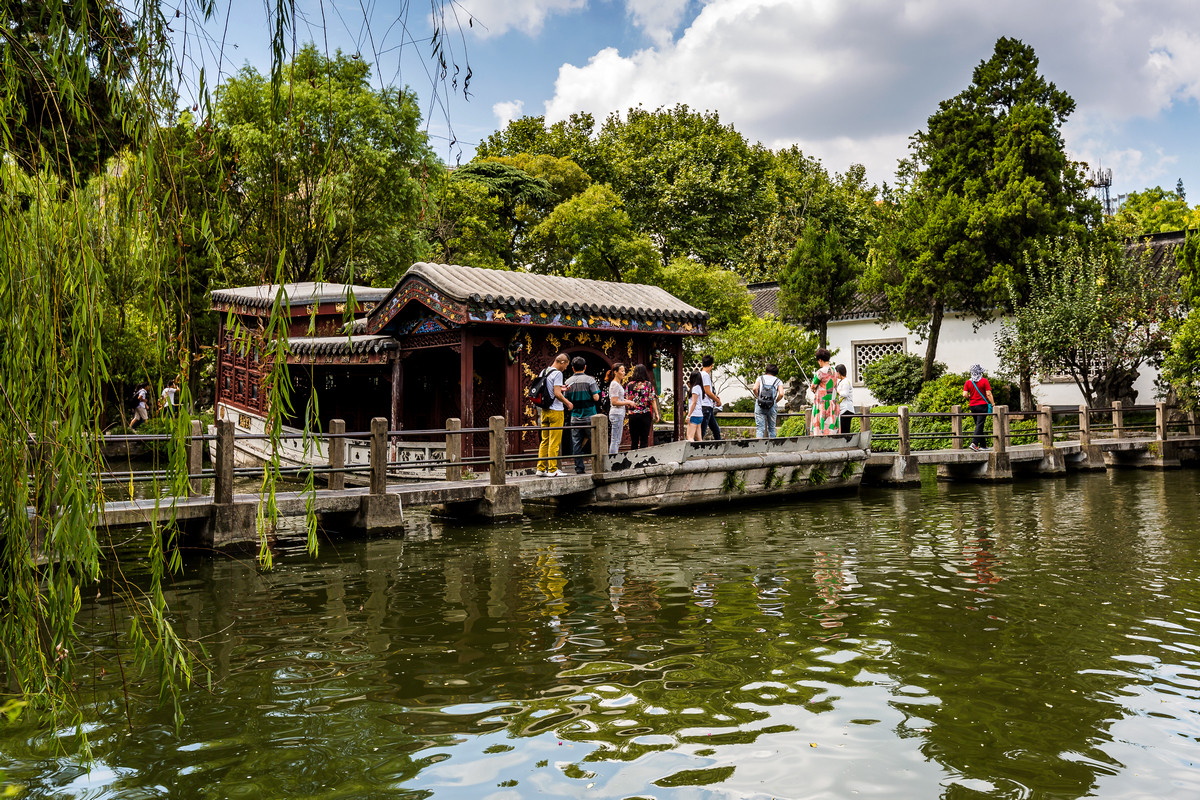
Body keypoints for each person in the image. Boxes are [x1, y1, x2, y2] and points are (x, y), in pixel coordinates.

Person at [536, 353, 572, 476]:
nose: (566, 368)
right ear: (562, 362)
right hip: (556, 410)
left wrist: (562, 389)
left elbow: (549, 389)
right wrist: (567, 403)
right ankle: (552, 469)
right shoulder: (558, 373)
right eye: (566, 365)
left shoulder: (543, 372)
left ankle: (540, 468)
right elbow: (556, 393)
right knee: (554, 441)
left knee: (544, 440)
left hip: (544, 410)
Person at [564, 356, 600, 474]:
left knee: (576, 443)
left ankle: (579, 468)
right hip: (590, 417)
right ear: (585, 367)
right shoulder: (590, 380)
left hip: (575, 417)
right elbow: (596, 397)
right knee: (595, 441)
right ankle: (598, 467)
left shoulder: (568, 382)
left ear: (573, 368)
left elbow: (565, 399)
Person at [624, 364, 660, 450]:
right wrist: (657, 413)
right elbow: (653, 400)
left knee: (634, 440)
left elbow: (626, 399)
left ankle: (633, 460)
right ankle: (643, 460)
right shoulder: (648, 384)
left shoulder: (629, 385)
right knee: (644, 440)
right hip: (645, 414)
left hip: (633, 415)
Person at [963, 363, 996, 451]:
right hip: (982, 406)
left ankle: (983, 445)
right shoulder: (984, 381)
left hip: (973, 406)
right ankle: (974, 443)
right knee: (980, 424)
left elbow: (965, 394)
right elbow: (988, 394)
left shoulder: (968, 382)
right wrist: (993, 404)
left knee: (978, 425)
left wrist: (970, 397)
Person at [808, 348, 840, 436]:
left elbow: (813, 386)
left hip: (822, 401)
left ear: (820, 360)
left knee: (822, 423)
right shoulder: (835, 371)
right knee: (831, 422)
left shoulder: (820, 372)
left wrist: (813, 389)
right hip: (833, 401)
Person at [605, 363, 632, 455]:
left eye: (624, 371)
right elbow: (614, 401)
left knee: (616, 439)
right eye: (622, 371)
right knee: (615, 439)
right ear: (615, 372)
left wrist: (628, 401)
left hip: (619, 413)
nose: (624, 373)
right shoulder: (615, 384)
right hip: (616, 413)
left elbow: (619, 399)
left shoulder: (617, 384)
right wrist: (628, 402)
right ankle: (612, 460)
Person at [752, 363, 783, 438]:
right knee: (772, 429)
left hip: (760, 404)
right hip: (771, 405)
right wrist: (775, 401)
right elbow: (781, 394)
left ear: (766, 371)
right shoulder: (778, 381)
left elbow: (754, 388)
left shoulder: (760, 378)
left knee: (760, 429)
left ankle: (758, 448)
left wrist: (758, 397)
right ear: (776, 373)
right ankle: (772, 448)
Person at [699, 354, 722, 440]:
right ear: (711, 365)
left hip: (707, 405)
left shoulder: (700, 374)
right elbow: (707, 391)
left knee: (716, 429)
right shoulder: (705, 375)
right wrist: (717, 400)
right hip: (706, 406)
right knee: (702, 430)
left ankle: (719, 444)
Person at [836, 364, 855, 434]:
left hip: (846, 409)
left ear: (839, 372)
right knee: (843, 430)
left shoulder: (846, 382)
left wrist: (837, 391)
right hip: (843, 409)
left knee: (845, 430)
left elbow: (845, 394)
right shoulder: (841, 382)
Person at [686, 371, 704, 442]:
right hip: (699, 414)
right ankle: (702, 452)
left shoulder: (695, 388)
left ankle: (691, 452)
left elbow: (694, 403)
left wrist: (688, 415)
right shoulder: (700, 388)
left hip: (694, 414)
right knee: (699, 438)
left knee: (690, 437)